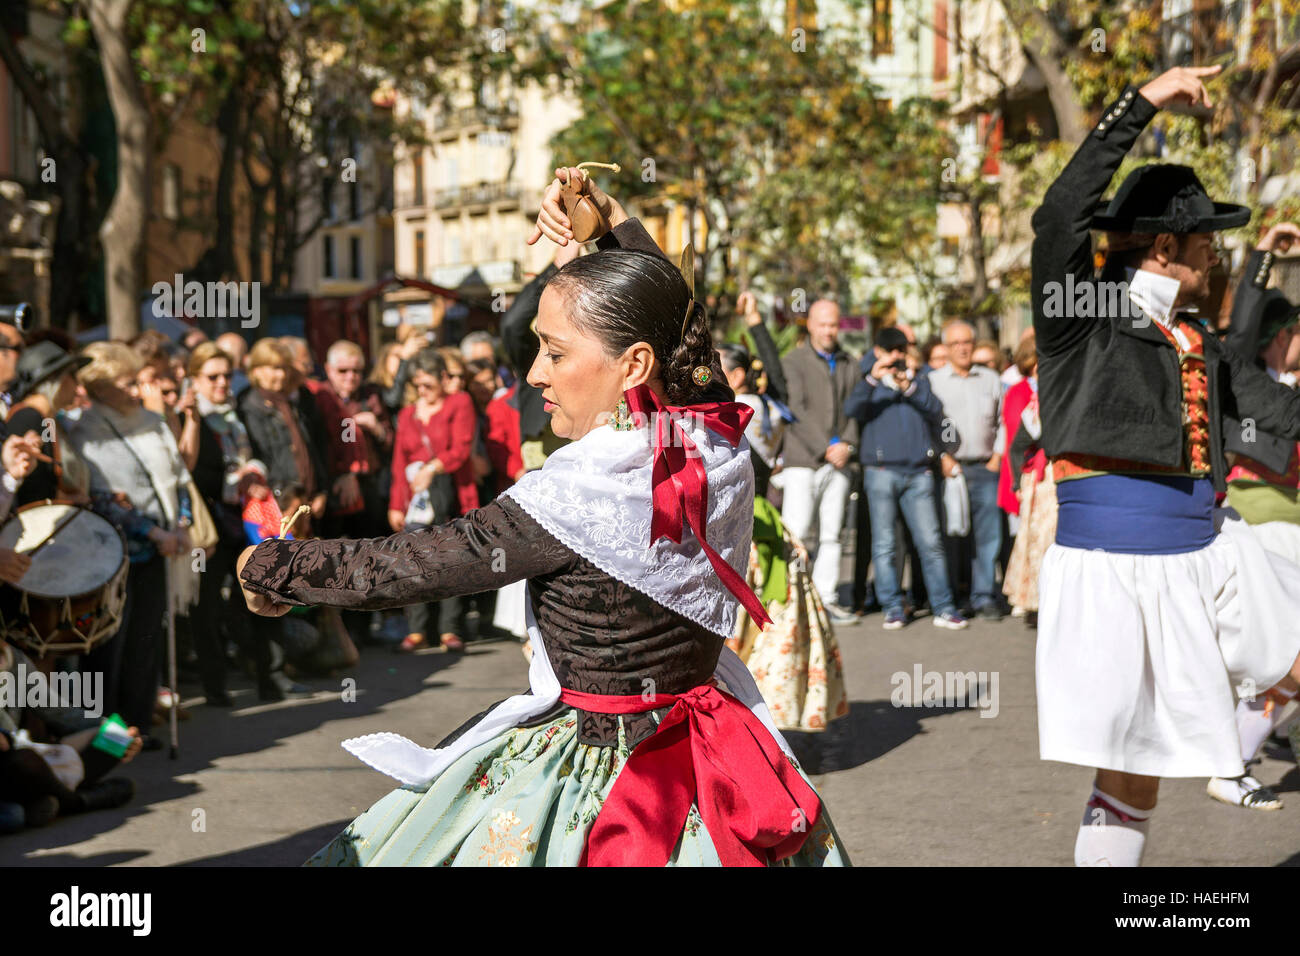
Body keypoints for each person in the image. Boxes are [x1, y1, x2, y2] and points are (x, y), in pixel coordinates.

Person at [236, 167, 846, 866]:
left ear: (633, 364)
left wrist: (275, 567)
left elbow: (411, 565)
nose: (534, 374)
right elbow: (684, 329)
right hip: (718, 751)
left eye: (555, 351)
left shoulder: (581, 492)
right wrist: (612, 221)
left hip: (604, 777)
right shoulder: (713, 435)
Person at [1030, 64, 1300, 867]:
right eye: (1205, 240)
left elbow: (1278, 409)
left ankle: (1236, 751)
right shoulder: (1080, 315)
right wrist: (1141, 103)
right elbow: (1059, 214)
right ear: (1164, 244)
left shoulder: (1197, 339)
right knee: (1135, 771)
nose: (1214, 253)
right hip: (1120, 567)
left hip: (1202, 552)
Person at [65, 342, 196, 747]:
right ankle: (108, 735)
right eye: (127, 383)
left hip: (160, 547)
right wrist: (154, 533)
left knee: (146, 637)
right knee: (108, 647)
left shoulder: (153, 422)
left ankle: (139, 723)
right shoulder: (85, 431)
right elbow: (102, 498)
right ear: (101, 388)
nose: (137, 391)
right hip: (114, 555)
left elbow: (178, 476)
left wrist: (181, 521)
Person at [1211, 220, 1300, 811]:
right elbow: (1240, 325)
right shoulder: (1244, 375)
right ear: (1278, 336)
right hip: (1256, 528)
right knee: (1281, 654)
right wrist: (1264, 255)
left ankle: (1244, 750)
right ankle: (1232, 760)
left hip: (1296, 531)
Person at [845, 327, 967, 630]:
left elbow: (935, 410)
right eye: (891, 350)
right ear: (879, 352)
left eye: (902, 349)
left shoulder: (919, 377)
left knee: (930, 542)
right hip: (881, 472)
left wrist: (909, 384)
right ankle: (893, 609)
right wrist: (874, 378)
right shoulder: (868, 379)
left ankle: (944, 607)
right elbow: (852, 409)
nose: (897, 356)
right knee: (884, 545)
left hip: (918, 473)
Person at [388, 349, 477, 653]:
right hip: (416, 499)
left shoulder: (459, 403)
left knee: (451, 559)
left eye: (428, 385)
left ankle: (449, 628)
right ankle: (417, 629)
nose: (423, 392)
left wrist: (433, 468)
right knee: (415, 561)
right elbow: (399, 462)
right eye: (418, 386)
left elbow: (461, 448)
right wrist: (396, 504)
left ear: (442, 379)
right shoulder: (407, 414)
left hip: (450, 490)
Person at [779, 299, 859, 622]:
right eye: (822, 324)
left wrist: (848, 445)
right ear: (809, 324)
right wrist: (827, 446)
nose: (829, 331)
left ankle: (827, 597)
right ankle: (789, 599)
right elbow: (795, 409)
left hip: (839, 461)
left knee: (831, 533)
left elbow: (854, 409)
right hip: (803, 459)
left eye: (833, 325)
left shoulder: (849, 362)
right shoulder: (793, 361)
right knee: (796, 531)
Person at [928, 319, 1005, 619]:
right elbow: (929, 425)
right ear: (945, 348)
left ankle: (984, 595)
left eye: (967, 343)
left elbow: (1003, 421)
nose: (962, 348)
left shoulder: (989, 379)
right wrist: (942, 457)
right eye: (955, 343)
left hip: (986, 466)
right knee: (953, 535)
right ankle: (957, 595)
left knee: (988, 536)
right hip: (951, 471)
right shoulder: (934, 381)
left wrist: (997, 454)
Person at [236, 339, 328, 522]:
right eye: (275, 368)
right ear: (257, 370)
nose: (282, 374)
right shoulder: (247, 407)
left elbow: (316, 448)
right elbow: (261, 458)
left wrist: (322, 491)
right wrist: (287, 499)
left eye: (284, 368)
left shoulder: (297, 401)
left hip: (308, 502)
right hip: (277, 506)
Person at [1000, 334, 1054, 624]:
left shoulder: (1055, 390)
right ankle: (1035, 599)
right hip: (1041, 478)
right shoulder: (1027, 396)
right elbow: (1017, 442)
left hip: (1056, 477)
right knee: (1039, 540)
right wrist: (1016, 482)